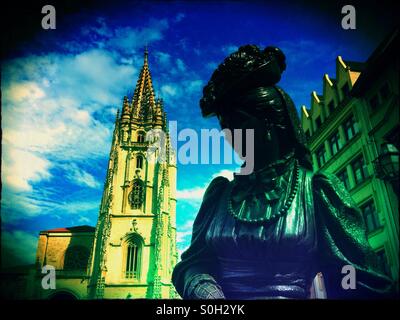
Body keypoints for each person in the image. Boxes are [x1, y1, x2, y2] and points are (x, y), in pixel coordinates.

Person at [172, 45, 395, 299]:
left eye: (237, 125)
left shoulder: (316, 190)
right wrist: (205, 291)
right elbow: (192, 263)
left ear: (269, 124)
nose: (229, 137)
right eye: (225, 128)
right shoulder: (220, 194)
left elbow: (359, 281)